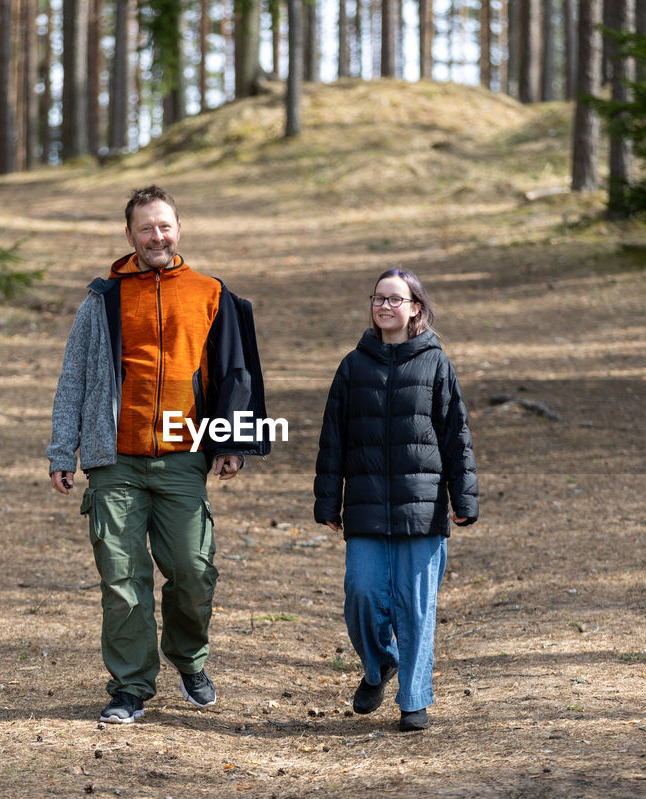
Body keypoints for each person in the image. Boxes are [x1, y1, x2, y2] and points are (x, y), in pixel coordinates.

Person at [48, 185, 268, 724]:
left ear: (179, 228)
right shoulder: (103, 298)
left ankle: (189, 659)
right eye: (146, 228)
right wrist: (63, 450)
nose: (156, 236)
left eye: (164, 225)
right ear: (130, 235)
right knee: (123, 580)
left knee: (193, 569)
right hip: (114, 458)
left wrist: (232, 442)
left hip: (182, 455)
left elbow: (233, 374)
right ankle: (130, 687)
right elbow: (73, 377)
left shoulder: (210, 293)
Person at [313, 268, 478, 732]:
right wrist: (328, 501)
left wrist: (463, 497)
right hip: (365, 505)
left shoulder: (436, 364)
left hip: (422, 507)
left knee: (416, 606)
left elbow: (456, 437)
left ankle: (414, 701)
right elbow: (333, 439)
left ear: (415, 308)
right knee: (362, 595)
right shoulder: (353, 365)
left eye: (395, 299)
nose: (384, 306)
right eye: (378, 298)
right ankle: (380, 664)